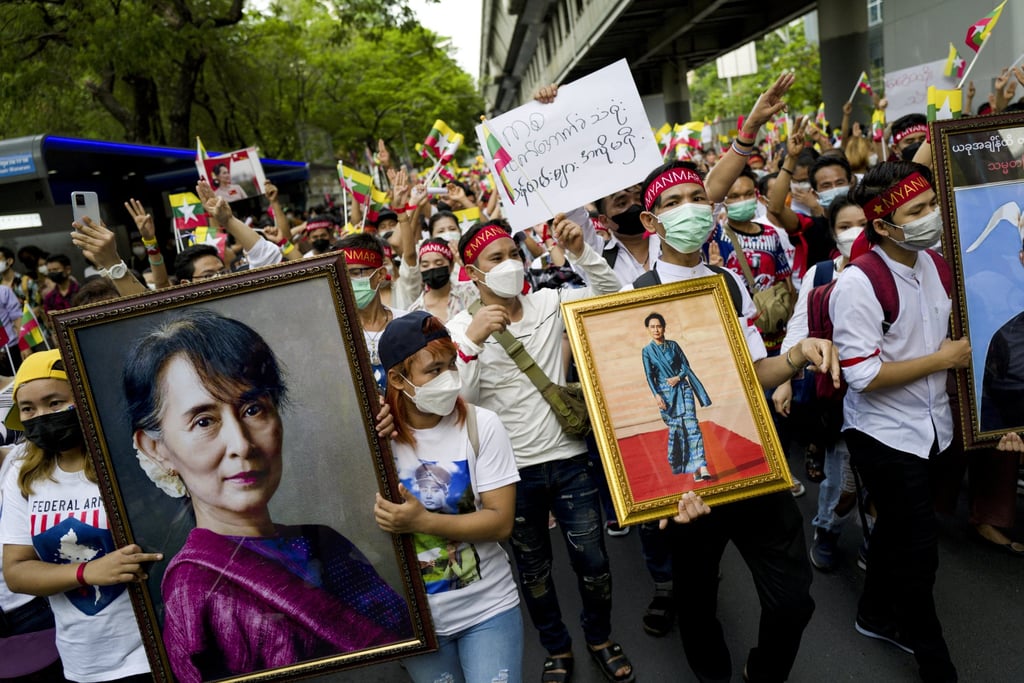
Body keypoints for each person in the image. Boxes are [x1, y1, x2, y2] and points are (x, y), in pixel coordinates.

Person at [631, 71, 840, 683]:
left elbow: (754, 368)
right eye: (674, 204)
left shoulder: (727, 282)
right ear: (652, 224)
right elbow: (630, 409)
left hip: (751, 457)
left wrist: (799, 354)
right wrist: (662, 492)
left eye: (698, 198)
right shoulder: (626, 303)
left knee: (793, 600)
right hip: (687, 477)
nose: (691, 209)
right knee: (697, 606)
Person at [124, 309, 413, 683]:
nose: (241, 444)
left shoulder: (325, 545)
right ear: (155, 448)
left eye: (252, 409)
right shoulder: (194, 594)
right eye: (204, 421)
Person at [446, 207, 630, 683]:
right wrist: (471, 344)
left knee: (593, 563)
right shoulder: (457, 330)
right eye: (496, 257)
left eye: (513, 253)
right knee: (534, 572)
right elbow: (455, 403)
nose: (510, 263)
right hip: (510, 477)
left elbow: (613, 299)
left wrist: (580, 251)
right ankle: (556, 647)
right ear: (473, 272)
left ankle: (600, 638)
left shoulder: (551, 303)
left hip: (570, 461)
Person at [832, 161, 969, 682]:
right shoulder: (859, 285)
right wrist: (942, 361)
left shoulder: (933, 263)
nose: (931, 216)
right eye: (918, 210)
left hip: (935, 427)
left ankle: (872, 612)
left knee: (896, 528)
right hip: (884, 434)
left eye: (932, 204)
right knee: (920, 551)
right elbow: (863, 375)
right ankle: (933, 659)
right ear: (884, 226)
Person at [375, 311, 522, 683]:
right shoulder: (375, 438)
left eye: (451, 365)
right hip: (414, 622)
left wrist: (422, 522)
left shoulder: (480, 425)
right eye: (433, 370)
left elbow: (501, 521)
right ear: (397, 378)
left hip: (488, 608)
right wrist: (362, 430)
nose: (449, 379)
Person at [0, 350, 159, 682]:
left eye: (54, 403)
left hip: (153, 649)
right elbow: (16, 571)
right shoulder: (22, 473)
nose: (41, 415)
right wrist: (88, 571)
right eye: (28, 408)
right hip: (83, 664)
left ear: (83, 397)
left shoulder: (130, 459)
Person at [774, 196, 867, 571]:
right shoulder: (823, 273)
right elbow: (799, 325)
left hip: (888, 391)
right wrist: (784, 377)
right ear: (833, 233)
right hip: (838, 393)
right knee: (841, 471)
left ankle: (874, 537)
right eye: (845, 226)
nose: (855, 232)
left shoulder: (894, 270)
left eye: (862, 222)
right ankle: (827, 529)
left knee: (882, 476)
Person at [641, 312, 712, 480]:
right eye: (652, 327)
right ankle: (693, 470)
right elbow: (649, 375)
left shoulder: (673, 346)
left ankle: (702, 467)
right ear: (648, 330)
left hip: (682, 389)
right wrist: (657, 396)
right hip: (665, 395)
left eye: (659, 326)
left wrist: (678, 378)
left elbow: (685, 366)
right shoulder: (647, 351)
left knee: (692, 426)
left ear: (664, 328)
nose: (656, 330)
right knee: (679, 430)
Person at [337, 232, 408, 391]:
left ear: (380, 275)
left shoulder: (406, 325)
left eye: (355, 273)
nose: (348, 281)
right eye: (342, 274)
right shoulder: (336, 333)